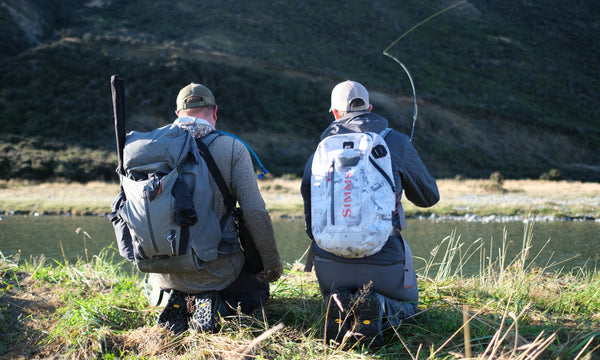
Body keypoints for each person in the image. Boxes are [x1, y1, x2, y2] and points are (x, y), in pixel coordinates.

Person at [112, 82, 283, 334]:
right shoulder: (232, 147)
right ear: (214, 112)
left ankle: (176, 298)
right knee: (257, 292)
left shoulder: (147, 147)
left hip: (162, 272)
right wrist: (271, 265)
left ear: (177, 114)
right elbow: (254, 212)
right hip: (218, 271)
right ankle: (215, 305)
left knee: (166, 283)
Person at [300, 80, 439, 346]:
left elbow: (311, 224)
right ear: (370, 108)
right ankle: (382, 306)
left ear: (335, 114)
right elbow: (429, 198)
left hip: (330, 269)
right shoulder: (395, 142)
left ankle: (338, 300)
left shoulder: (320, 152)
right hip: (385, 267)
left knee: (338, 289)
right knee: (410, 305)